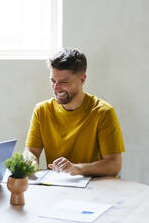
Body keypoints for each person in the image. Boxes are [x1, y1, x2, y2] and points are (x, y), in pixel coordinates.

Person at [24, 48, 125, 177]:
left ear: (82, 79)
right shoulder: (42, 110)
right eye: (53, 81)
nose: (56, 88)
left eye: (64, 82)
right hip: (60, 187)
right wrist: (30, 163)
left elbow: (114, 165)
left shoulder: (103, 112)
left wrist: (78, 168)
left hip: (97, 188)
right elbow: (31, 151)